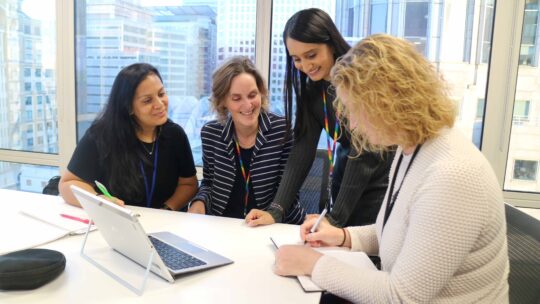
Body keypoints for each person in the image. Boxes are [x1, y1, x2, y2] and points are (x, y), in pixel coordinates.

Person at [274, 34, 509, 303]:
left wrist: (312, 264)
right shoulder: (411, 148)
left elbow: (401, 296)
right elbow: (397, 230)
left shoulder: (452, 176)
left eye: (353, 109)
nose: (349, 121)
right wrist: (342, 236)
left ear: (386, 103)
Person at [246, 8, 393, 228]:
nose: (305, 66)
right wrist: (276, 210)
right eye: (297, 59)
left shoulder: (362, 80)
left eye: (311, 55)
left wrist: (335, 219)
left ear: (331, 44)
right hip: (344, 184)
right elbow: (302, 150)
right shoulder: (313, 89)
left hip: (378, 189)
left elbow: (364, 155)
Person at [59, 63, 198, 210]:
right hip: (116, 222)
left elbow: (188, 184)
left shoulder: (175, 135)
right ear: (129, 107)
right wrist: (99, 200)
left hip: (165, 224)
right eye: (147, 100)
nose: (159, 104)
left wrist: (167, 209)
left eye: (161, 94)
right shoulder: (100, 136)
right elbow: (67, 184)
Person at [188, 56, 305, 224]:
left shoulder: (282, 131)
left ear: (261, 93)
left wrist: (272, 215)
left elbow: (288, 192)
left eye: (252, 95)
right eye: (236, 98)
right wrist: (199, 202)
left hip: (271, 225)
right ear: (223, 101)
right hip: (224, 226)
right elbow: (209, 183)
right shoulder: (211, 133)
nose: (248, 105)